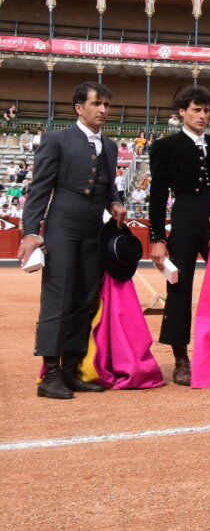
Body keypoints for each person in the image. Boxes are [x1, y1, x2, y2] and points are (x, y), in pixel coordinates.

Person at [18, 82, 128, 399]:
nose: (103, 110)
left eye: (107, 104)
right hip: (63, 223)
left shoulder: (109, 146)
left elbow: (109, 188)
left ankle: (71, 371)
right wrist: (30, 231)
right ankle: (50, 375)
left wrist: (116, 203)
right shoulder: (57, 140)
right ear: (79, 107)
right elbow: (40, 189)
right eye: (97, 104)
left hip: (94, 227)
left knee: (86, 299)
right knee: (58, 295)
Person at [148, 86, 210, 385]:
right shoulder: (166, 146)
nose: (202, 115)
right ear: (182, 112)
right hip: (184, 218)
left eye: (206, 110)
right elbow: (158, 195)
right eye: (196, 110)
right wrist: (158, 237)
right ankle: (180, 357)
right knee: (179, 286)